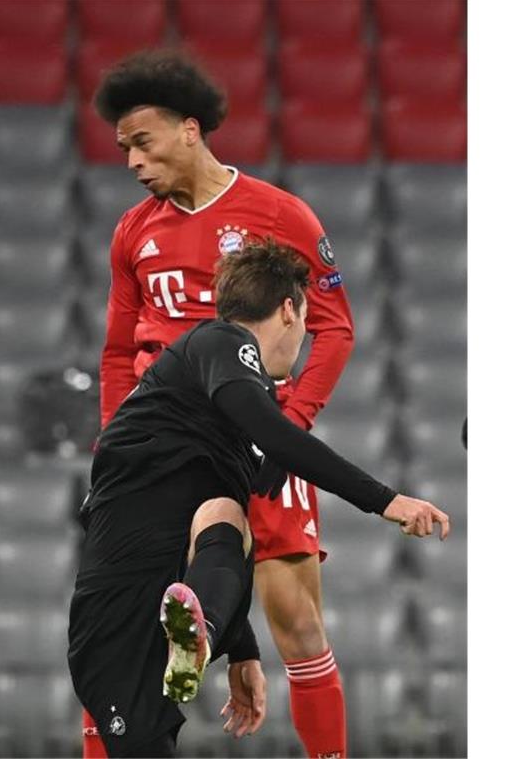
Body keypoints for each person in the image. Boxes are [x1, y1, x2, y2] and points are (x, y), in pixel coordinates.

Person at [67, 239, 450, 758]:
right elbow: (278, 437)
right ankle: (201, 631)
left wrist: (239, 647)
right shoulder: (223, 344)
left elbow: (210, 531)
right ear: (290, 310)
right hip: (120, 595)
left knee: (227, 518)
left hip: (151, 576)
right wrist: (386, 500)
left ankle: (202, 630)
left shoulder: (214, 407)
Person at [87, 49, 359, 758]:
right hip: (163, 455)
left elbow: (334, 327)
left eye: (142, 143)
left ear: (189, 129)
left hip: (257, 438)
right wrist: (117, 445)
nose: (133, 162)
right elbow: (118, 353)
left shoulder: (279, 215)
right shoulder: (132, 233)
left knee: (295, 622)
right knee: (118, 638)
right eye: (123, 149)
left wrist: (288, 424)